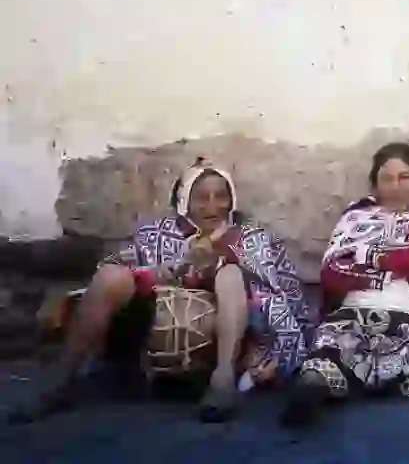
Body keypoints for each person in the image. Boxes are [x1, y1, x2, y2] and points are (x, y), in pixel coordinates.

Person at [9, 159, 312, 424]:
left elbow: (279, 291)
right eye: (202, 198)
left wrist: (223, 259)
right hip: (150, 328)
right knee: (110, 277)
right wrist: (169, 270)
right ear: (184, 202)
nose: (213, 206)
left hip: (228, 336)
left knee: (230, 273)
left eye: (221, 197)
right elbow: (118, 265)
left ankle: (222, 381)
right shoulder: (154, 233)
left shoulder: (250, 237)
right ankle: (61, 382)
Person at [280, 143, 409, 428]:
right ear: (374, 184)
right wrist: (395, 264)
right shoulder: (355, 218)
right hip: (353, 315)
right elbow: (332, 273)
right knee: (329, 342)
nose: (395, 186)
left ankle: (342, 380)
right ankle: (328, 383)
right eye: (386, 179)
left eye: (405, 177)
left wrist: (367, 256)